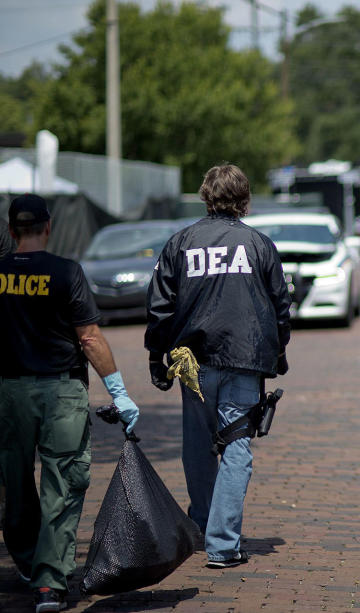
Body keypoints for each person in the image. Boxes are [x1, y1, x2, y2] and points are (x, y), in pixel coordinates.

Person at [145, 164, 291, 569]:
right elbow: (281, 305)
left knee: (197, 445)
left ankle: (203, 524)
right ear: (244, 199)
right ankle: (223, 544)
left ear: (206, 196)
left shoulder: (180, 243)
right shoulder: (260, 245)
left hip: (193, 361)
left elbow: (159, 306)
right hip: (246, 359)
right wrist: (278, 354)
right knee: (237, 446)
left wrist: (156, 356)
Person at [0, 194, 140, 613]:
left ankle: (27, 563)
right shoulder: (65, 272)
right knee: (62, 483)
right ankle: (49, 584)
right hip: (61, 393)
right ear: (48, 227)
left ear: (10, 231)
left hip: (9, 392)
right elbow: (90, 338)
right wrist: (118, 391)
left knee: (15, 482)